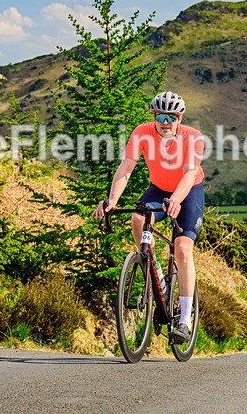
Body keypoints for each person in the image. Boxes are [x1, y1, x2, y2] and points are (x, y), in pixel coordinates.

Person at [93, 91, 205, 344]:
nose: (165, 122)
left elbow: (189, 174)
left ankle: (185, 321)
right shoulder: (142, 132)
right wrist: (112, 200)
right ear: (154, 116)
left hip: (188, 192)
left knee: (183, 248)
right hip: (159, 189)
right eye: (161, 116)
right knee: (137, 217)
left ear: (179, 118)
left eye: (171, 117)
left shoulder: (193, 137)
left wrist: (176, 199)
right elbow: (127, 167)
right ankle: (149, 266)